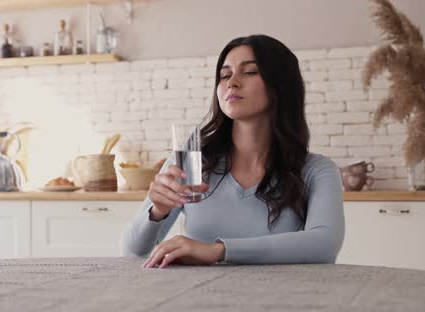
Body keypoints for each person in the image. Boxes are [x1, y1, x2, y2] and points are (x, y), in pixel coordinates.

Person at [121, 34, 345, 268]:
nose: (232, 82)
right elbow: (131, 253)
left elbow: (324, 245)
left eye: (249, 72)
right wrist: (157, 212)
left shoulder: (316, 171)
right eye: (225, 75)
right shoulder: (192, 162)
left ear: (281, 83)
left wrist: (218, 251)